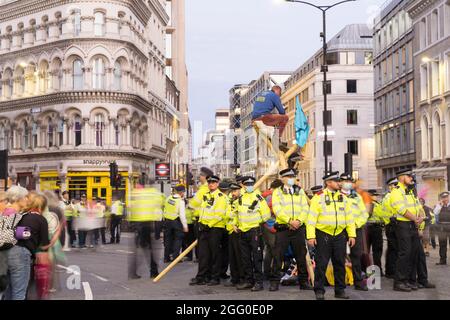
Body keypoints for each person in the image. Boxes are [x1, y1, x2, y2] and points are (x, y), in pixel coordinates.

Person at [307, 171, 356, 300]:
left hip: (340, 235)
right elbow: (311, 219)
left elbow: (349, 218)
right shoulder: (318, 197)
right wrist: (311, 236)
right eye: (336, 181)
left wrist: (352, 235)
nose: (339, 183)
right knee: (321, 264)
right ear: (328, 183)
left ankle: (340, 290)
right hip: (323, 235)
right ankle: (319, 291)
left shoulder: (343, 198)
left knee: (340, 263)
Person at [390, 169, 435, 291]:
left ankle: (411, 280)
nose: (411, 178)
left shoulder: (410, 192)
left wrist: (420, 217)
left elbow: (418, 207)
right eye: (409, 176)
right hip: (403, 225)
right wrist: (416, 219)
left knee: (416, 253)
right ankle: (399, 282)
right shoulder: (396, 192)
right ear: (401, 177)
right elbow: (401, 209)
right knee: (405, 253)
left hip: (412, 225)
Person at [270, 169, 312, 292]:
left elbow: (305, 208)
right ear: (282, 178)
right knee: (278, 256)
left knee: (301, 256)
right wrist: (289, 221)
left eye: (292, 176)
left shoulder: (300, 191)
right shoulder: (277, 192)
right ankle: (274, 282)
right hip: (284, 229)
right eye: (288, 176)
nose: (291, 178)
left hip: (298, 228)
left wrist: (298, 221)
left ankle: (303, 282)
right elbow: (277, 209)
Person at [4, 188, 50, 300]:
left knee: (9, 290)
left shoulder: (21, 215)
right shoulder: (41, 219)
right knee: (19, 293)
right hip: (21, 254)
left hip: (6, 252)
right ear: (41, 207)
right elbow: (44, 245)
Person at [189, 175, 228, 286]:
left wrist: (209, 225)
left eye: (213, 182)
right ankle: (201, 276)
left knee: (215, 254)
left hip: (215, 228)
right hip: (204, 228)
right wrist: (201, 223)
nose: (211, 184)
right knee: (203, 254)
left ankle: (215, 277)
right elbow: (203, 211)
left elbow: (220, 214)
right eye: (209, 182)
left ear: (217, 184)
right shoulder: (206, 195)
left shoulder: (221, 197)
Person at [234, 176, 270, 291]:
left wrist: (257, 222)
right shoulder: (241, 197)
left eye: (251, 184)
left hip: (254, 231)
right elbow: (236, 213)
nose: (249, 186)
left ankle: (259, 282)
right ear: (243, 185)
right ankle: (249, 281)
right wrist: (235, 224)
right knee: (245, 258)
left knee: (257, 257)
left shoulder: (258, 197)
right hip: (242, 231)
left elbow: (266, 215)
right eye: (246, 184)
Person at [127, 181, 165, 279]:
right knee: (150, 250)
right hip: (147, 224)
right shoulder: (152, 192)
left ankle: (132, 272)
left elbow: (130, 207)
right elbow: (162, 201)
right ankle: (153, 271)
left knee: (137, 250)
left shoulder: (135, 193)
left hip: (137, 224)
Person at [340, 173, 369, 291]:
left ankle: (358, 281)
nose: (348, 183)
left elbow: (364, 213)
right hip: (341, 229)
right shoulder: (336, 196)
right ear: (340, 182)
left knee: (356, 255)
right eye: (345, 181)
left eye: (350, 181)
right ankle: (340, 282)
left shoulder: (356, 196)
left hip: (356, 229)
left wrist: (356, 224)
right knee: (339, 256)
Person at [224, 182, 245, 287]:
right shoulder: (230, 200)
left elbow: (239, 215)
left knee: (239, 257)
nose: (233, 193)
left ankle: (242, 278)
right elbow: (226, 214)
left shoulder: (241, 201)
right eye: (232, 191)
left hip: (238, 231)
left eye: (235, 191)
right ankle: (234, 278)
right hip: (231, 231)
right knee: (232, 257)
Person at [261, 179, 282, 281]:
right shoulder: (272, 197)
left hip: (266, 225)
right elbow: (275, 211)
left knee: (269, 250)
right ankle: (273, 273)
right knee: (275, 250)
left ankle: (267, 272)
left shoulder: (266, 195)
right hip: (271, 225)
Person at [163, 185, 188, 262]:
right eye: (184, 192)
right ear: (181, 192)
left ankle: (166, 257)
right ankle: (175, 258)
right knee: (178, 239)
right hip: (176, 222)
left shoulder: (168, 198)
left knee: (168, 240)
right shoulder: (180, 201)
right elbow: (182, 215)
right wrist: (185, 226)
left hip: (167, 221)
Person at [367, 189, 388, 274]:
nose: (376, 197)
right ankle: (378, 270)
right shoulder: (377, 205)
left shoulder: (364, 204)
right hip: (376, 229)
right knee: (377, 251)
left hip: (366, 229)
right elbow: (383, 216)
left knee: (366, 251)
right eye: (375, 195)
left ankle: (366, 269)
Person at [383, 177, 398, 279]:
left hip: (391, 225)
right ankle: (391, 271)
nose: (396, 187)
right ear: (390, 187)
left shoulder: (388, 196)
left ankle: (390, 270)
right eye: (395, 186)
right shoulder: (389, 197)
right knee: (394, 249)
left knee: (392, 249)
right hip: (392, 225)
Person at [218, 181, 230, 280]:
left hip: (216, 228)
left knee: (218, 251)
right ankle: (222, 271)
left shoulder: (215, 197)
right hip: (225, 228)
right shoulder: (226, 199)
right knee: (225, 252)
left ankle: (218, 271)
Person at [434, 192, 450, 265]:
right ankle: (442, 260)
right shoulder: (439, 205)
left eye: (446, 197)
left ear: (448, 197)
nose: (445, 199)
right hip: (441, 227)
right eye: (443, 197)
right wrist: (440, 205)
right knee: (442, 244)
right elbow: (435, 213)